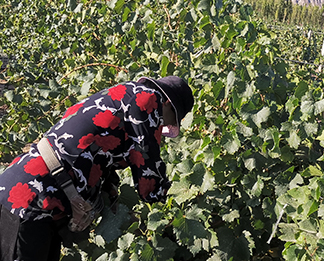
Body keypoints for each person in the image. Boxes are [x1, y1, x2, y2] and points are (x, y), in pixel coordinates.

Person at [0, 76, 194, 261]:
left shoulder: (121, 93)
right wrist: (180, 196)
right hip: (30, 200)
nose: (163, 125)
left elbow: (94, 151)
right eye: (169, 120)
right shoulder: (148, 99)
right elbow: (148, 171)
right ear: (168, 103)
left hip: (25, 190)